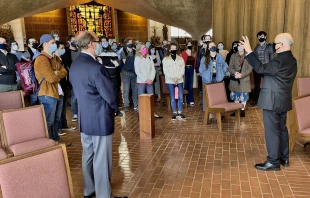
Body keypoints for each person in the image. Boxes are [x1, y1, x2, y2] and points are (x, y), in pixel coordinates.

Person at [69, 31, 127, 198]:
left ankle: (89, 189)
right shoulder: (96, 67)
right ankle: (104, 194)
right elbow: (109, 94)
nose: (99, 43)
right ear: (90, 44)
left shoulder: (75, 64)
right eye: (96, 41)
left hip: (84, 117)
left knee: (88, 154)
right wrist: (116, 108)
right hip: (100, 117)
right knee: (102, 158)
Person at [240, 33, 297, 171]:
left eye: (275, 43)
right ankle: (284, 158)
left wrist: (249, 51)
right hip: (283, 100)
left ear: (281, 45)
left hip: (272, 101)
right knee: (282, 129)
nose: (273, 46)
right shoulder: (292, 60)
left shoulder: (279, 60)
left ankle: (273, 161)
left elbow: (260, 69)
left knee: (272, 131)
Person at [34, 34, 67, 143]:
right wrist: (56, 73)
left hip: (58, 91)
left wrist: (57, 73)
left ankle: (56, 140)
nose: (54, 45)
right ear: (45, 44)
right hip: (47, 93)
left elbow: (64, 71)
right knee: (49, 120)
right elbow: (51, 78)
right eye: (52, 43)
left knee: (57, 119)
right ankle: (49, 143)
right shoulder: (41, 59)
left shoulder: (55, 58)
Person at [134, 42, 162, 119]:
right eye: (143, 48)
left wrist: (151, 79)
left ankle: (152, 112)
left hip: (150, 80)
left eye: (145, 48)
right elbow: (137, 71)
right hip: (141, 81)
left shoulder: (149, 57)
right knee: (141, 98)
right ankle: (141, 113)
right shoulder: (137, 58)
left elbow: (153, 69)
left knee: (151, 97)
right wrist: (146, 79)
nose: (145, 49)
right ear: (139, 50)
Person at [55, 40, 76, 133]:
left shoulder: (63, 58)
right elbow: (56, 74)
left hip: (65, 84)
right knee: (58, 109)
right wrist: (62, 73)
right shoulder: (53, 60)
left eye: (64, 48)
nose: (63, 50)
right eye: (61, 48)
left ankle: (64, 125)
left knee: (63, 108)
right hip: (58, 86)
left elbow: (66, 71)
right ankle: (58, 128)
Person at [199, 42, 228, 111]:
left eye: (214, 45)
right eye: (211, 45)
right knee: (207, 96)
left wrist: (222, 73)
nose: (213, 46)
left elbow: (225, 66)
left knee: (217, 96)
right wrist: (204, 76)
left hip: (218, 79)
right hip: (207, 79)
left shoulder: (219, 56)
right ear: (208, 48)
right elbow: (201, 69)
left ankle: (217, 111)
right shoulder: (204, 58)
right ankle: (207, 112)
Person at [98, 38, 123, 116]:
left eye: (105, 41)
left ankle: (116, 110)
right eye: (102, 41)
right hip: (104, 76)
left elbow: (116, 63)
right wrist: (110, 61)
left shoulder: (112, 51)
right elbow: (98, 63)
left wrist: (105, 61)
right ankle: (107, 110)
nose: (104, 42)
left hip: (113, 75)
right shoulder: (98, 52)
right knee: (105, 93)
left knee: (114, 93)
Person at [228, 42, 253, 117]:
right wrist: (235, 73)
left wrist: (242, 75)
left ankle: (242, 110)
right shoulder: (233, 55)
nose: (240, 47)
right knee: (235, 95)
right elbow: (230, 67)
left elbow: (250, 68)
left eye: (242, 45)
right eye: (239, 45)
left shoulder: (249, 56)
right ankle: (236, 110)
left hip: (244, 79)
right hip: (235, 79)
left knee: (243, 96)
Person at [163, 43, 186, 120]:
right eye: (172, 49)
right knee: (172, 97)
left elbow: (182, 69)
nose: (173, 50)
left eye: (174, 49)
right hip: (170, 81)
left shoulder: (180, 58)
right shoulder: (165, 59)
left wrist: (177, 77)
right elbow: (165, 70)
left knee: (180, 96)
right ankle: (174, 113)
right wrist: (172, 77)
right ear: (169, 50)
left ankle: (179, 112)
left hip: (179, 80)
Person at [251, 31, 274, 107]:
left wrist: (271, 68)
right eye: (259, 36)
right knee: (256, 85)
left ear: (265, 37)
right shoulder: (256, 47)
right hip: (258, 69)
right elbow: (253, 58)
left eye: (262, 36)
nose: (261, 37)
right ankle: (255, 100)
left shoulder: (269, 46)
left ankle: (269, 100)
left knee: (268, 84)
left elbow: (272, 58)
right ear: (257, 37)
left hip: (266, 68)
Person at [62, 35, 80, 122]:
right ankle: (75, 113)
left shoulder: (80, 51)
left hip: (82, 74)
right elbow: (67, 65)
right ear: (69, 42)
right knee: (74, 96)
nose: (75, 42)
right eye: (73, 40)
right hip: (73, 75)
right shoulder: (67, 52)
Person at [121, 38, 138, 112]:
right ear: (126, 43)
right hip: (126, 73)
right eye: (129, 42)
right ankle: (126, 105)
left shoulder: (135, 51)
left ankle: (136, 105)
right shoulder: (123, 51)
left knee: (135, 90)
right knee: (126, 90)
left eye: (131, 42)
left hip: (134, 73)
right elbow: (125, 62)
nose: (130, 43)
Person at [181, 41, 196, 106]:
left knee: (190, 84)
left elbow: (195, 62)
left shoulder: (194, 53)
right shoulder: (183, 53)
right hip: (185, 69)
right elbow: (182, 62)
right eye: (188, 44)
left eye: (190, 44)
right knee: (185, 84)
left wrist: (195, 69)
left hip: (191, 69)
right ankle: (184, 100)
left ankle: (191, 100)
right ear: (186, 45)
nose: (189, 45)